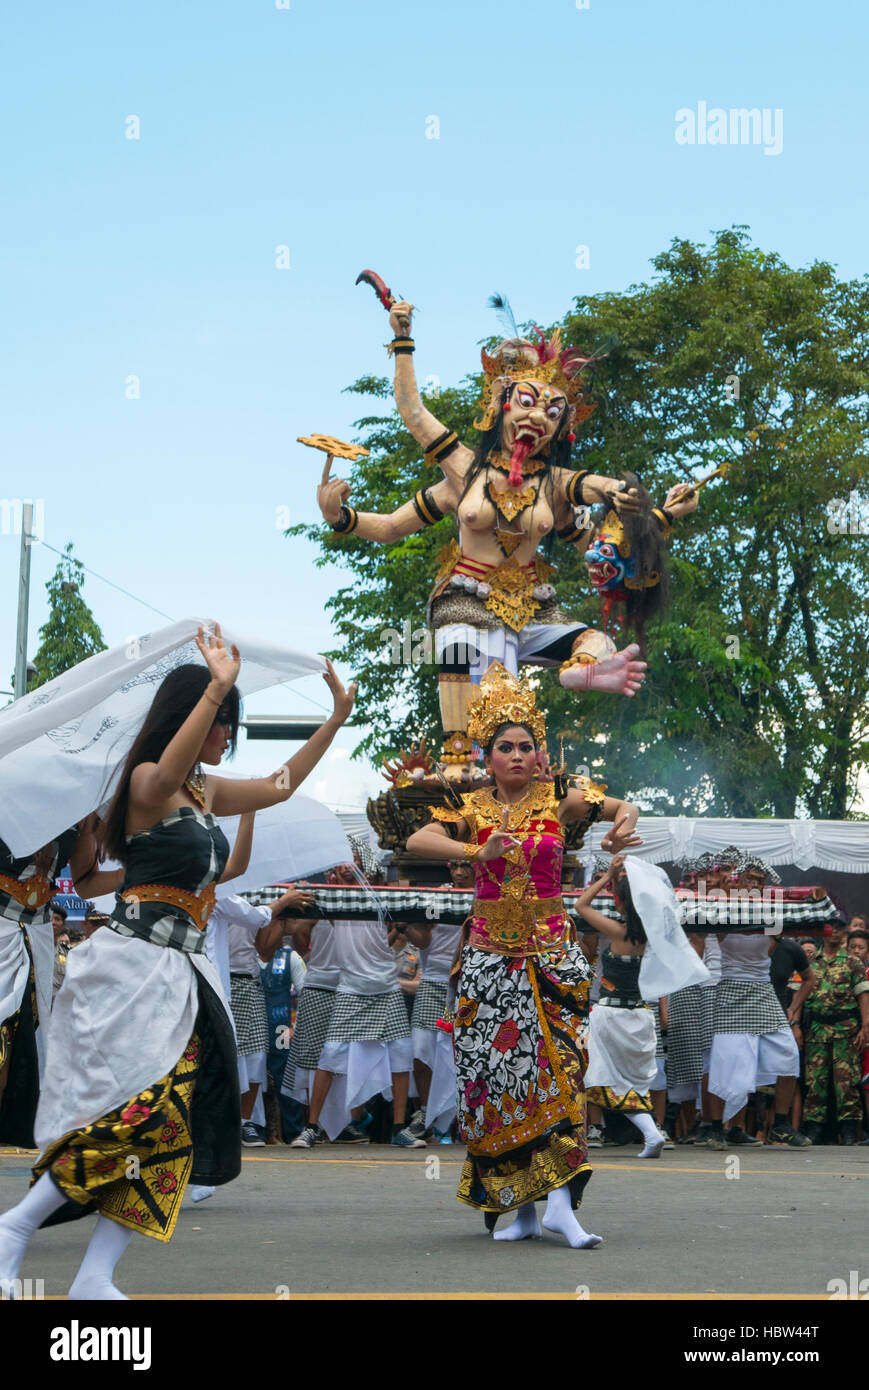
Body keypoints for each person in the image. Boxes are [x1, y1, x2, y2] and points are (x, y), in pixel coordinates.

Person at [0, 624, 356, 1299]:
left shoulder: (205, 793)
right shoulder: (149, 783)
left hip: (182, 975)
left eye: (229, 721)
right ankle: (15, 1229)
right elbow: (165, 768)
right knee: (132, 1113)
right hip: (132, 970)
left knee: (172, 1121)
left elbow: (278, 786)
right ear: (190, 715)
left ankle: (96, 1275)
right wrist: (213, 685)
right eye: (223, 719)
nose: (226, 733)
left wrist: (334, 719)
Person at [317, 296, 700, 769]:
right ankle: (458, 756)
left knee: (593, 641)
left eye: (553, 412)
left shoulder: (556, 487)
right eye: (527, 402)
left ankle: (581, 672)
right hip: (466, 594)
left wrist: (649, 509)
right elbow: (396, 508)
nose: (538, 418)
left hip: (531, 603)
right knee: (458, 641)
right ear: (499, 405)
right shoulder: (462, 471)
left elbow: (601, 542)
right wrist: (342, 517)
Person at [406, 660, 643, 1247]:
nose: (517, 755)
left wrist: (620, 829)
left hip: (551, 958)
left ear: (540, 755)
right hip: (488, 962)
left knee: (559, 1073)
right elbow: (414, 840)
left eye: (526, 746)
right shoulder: (473, 807)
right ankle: (525, 1210)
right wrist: (476, 850)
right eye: (504, 747)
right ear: (488, 757)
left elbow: (622, 807)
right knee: (498, 1081)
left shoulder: (560, 797)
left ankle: (560, 1203)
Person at [290, 873, 424, 1150]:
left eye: (351, 868)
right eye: (338, 870)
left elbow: (397, 931)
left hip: (387, 987)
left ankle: (400, 1128)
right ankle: (311, 1128)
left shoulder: (382, 898)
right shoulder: (333, 899)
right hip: (350, 988)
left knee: (401, 1053)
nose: (343, 873)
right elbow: (303, 921)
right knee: (330, 1054)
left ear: (367, 871)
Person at [0, 819, 110, 1148]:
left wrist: (92, 828)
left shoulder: (76, 806)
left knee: (19, 1034)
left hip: (35, 936)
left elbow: (85, 882)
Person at [577, 857, 696, 1158]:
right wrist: (620, 881)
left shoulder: (618, 932)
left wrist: (606, 878)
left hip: (611, 1016)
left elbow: (581, 906)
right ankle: (650, 1131)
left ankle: (646, 1132)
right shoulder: (655, 936)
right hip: (643, 1016)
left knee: (599, 1078)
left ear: (618, 901)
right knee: (633, 1082)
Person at [705, 923, 805, 1151]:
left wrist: (770, 930)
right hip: (729, 988)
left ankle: (780, 1124)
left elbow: (765, 952)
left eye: (757, 883)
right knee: (724, 1061)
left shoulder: (767, 911)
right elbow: (717, 940)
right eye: (746, 882)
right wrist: (749, 927)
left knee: (788, 1055)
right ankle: (715, 1129)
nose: (751, 884)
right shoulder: (722, 910)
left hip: (762, 988)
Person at [802, 924, 869, 1145]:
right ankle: (814, 1128)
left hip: (845, 1028)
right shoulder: (811, 962)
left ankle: (849, 1130)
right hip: (817, 1028)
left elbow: (862, 994)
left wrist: (865, 1025)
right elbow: (802, 995)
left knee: (846, 1082)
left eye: (841, 929)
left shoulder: (853, 963)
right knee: (815, 1081)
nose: (835, 932)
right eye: (831, 928)